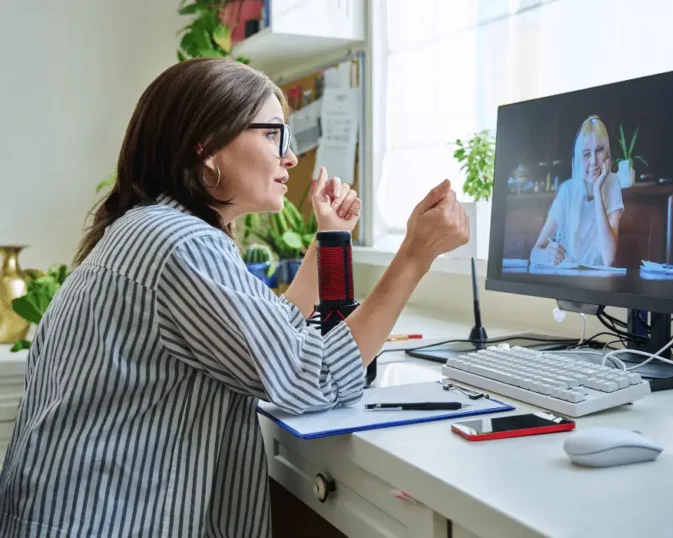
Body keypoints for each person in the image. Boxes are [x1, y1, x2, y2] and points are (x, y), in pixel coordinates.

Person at [0, 58, 469, 537]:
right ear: (206, 147)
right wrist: (415, 254)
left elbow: (273, 333)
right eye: (273, 135)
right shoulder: (181, 244)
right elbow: (316, 375)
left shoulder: (150, 228)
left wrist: (330, 240)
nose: (290, 157)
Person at [530, 115, 624, 267]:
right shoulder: (567, 190)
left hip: (600, 285)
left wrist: (597, 190)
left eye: (599, 150)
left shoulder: (612, 182)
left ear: (607, 154)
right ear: (577, 160)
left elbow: (609, 258)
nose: (594, 161)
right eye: (586, 154)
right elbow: (534, 252)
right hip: (568, 280)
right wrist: (546, 256)